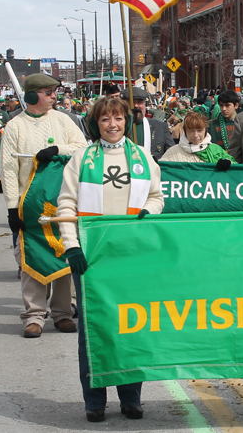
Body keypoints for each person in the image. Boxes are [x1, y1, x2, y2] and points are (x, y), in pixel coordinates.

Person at [57, 97, 164, 423]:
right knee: (94, 330)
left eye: (118, 118)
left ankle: (131, 396)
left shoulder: (143, 158)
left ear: (126, 121)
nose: (112, 125)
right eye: (105, 120)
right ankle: (95, 400)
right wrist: (72, 245)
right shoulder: (81, 159)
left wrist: (151, 210)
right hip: (91, 257)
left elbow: (157, 196)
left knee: (132, 325)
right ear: (96, 123)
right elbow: (66, 206)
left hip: (132, 256)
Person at [0, 73, 87, 338]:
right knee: (31, 259)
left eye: (54, 92)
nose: (54, 97)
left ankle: (61, 313)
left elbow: (82, 148)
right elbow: (9, 168)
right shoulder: (15, 127)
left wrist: (57, 149)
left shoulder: (64, 120)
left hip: (61, 202)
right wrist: (12, 208)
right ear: (32, 95)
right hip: (30, 205)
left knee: (61, 254)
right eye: (49, 92)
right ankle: (34, 315)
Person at [162, 111, 236, 166]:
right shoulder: (173, 152)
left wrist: (228, 165)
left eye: (200, 130)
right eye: (191, 131)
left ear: (205, 131)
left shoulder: (216, 150)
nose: (196, 135)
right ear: (185, 131)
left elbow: (236, 169)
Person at [120, 88, 174, 160]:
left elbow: (171, 156)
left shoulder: (160, 127)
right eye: (131, 102)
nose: (136, 106)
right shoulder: (116, 127)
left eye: (140, 102)